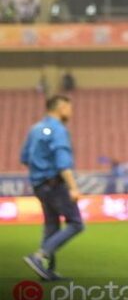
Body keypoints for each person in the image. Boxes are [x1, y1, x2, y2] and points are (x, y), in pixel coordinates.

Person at [21, 95, 84, 281]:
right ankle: (39, 256)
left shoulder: (35, 129)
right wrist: (73, 188)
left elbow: (24, 157)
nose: (71, 112)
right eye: (69, 108)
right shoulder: (58, 130)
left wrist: (40, 170)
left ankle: (46, 271)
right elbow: (63, 163)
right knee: (76, 223)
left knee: (51, 225)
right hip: (54, 183)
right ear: (61, 108)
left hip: (39, 185)